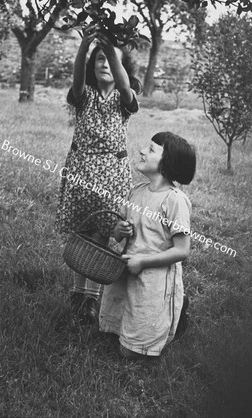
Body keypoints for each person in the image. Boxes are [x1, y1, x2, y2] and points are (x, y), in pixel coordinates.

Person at [55, 24, 141, 324]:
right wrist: (85, 48)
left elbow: (123, 81)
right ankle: (78, 293)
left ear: (121, 67)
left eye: (111, 60)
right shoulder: (85, 94)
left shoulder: (124, 98)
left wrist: (109, 48)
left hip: (112, 175)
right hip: (81, 171)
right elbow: (78, 77)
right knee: (82, 232)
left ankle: (91, 298)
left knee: (103, 234)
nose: (104, 65)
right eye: (99, 61)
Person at [99, 131, 196, 359]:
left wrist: (143, 261)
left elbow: (182, 250)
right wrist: (119, 230)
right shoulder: (137, 192)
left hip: (153, 276)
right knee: (115, 332)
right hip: (128, 269)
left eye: (151, 149)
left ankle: (176, 314)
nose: (142, 150)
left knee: (131, 353)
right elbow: (118, 232)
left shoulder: (174, 201)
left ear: (167, 163)